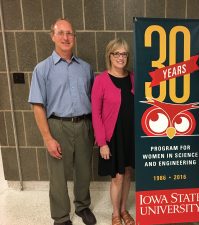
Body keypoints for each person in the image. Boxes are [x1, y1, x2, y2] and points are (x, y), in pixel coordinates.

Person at [28, 18, 96, 225]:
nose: (66, 38)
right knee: (57, 175)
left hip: (84, 124)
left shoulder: (85, 68)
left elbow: (92, 97)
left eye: (70, 33)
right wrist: (48, 137)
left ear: (74, 38)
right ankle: (60, 216)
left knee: (84, 170)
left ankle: (82, 206)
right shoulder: (42, 69)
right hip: (57, 126)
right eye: (61, 33)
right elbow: (38, 105)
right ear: (53, 36)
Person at [91, 38, 135, 225]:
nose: (120, 57)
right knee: (117, 177)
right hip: (113, 136)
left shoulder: (133, 77)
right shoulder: (101, 80)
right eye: (116, 53)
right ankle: (115, 213)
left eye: (124, 53)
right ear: (109, 55)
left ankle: (124, 209)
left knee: (127, 173)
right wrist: (102, 143)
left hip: (131, 134)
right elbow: (96, 113)